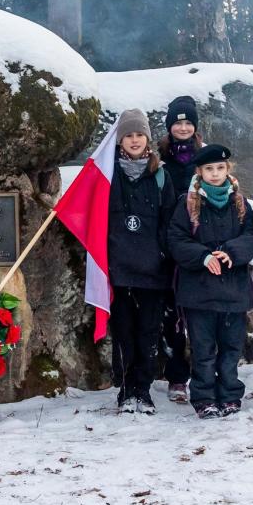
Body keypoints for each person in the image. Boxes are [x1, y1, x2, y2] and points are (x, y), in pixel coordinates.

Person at [166, 145, 253, 419]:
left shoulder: (240, 203)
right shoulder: (188, 203)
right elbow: (176, 239)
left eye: (220, 168)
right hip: (199, 292)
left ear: (227, 169)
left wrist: (233, 252)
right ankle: (205, 397)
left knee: (231, 348)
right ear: (200, 172)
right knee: (203, 349)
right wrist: (203, 256)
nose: (215, 173)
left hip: (234, 290)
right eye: (209, 169)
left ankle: (230, 394)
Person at [106, 108, 177, 415]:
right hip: (119, 268)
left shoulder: (160, 175)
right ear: (120, 140)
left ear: (148, 138)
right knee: (123, 332)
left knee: (148, 332)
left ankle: (143, 390)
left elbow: (169, 220)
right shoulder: (108, 174)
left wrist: (162, 253)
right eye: (129, 135)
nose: (134, 140)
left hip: (152, 269)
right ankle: (125, 390)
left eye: (139, 135)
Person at [157, 95, 204, 404]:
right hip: (168, 245)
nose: (183, 127)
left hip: (200, 245)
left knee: (200, 314)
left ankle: (204, 372)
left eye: (188, 123)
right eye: (178, 123)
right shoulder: (159, 160)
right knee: (172, 317)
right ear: (169, 127)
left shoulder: (206, 158)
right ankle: (177, 376)